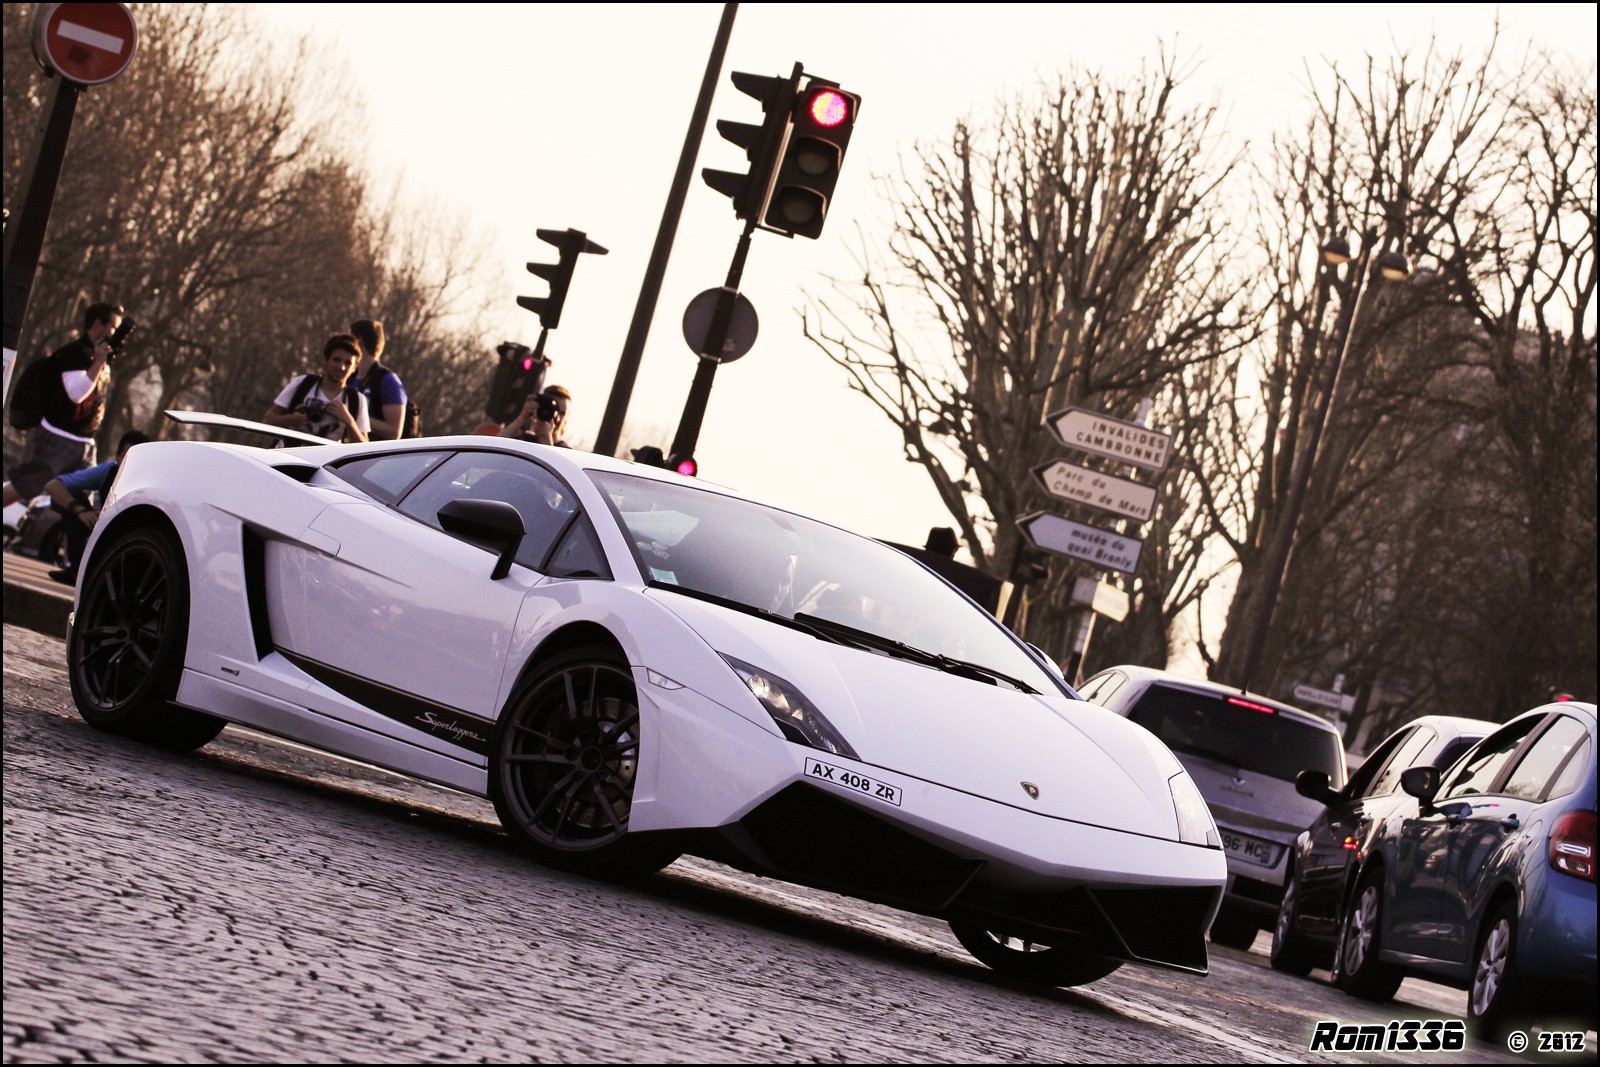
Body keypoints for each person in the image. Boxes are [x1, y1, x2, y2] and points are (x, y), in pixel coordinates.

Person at [3, 302, 122, 508]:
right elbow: (76, 395)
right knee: (27, 486)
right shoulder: (74, 353)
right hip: (58, 439)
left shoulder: (100, 358)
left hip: (84, 442)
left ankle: (69, 540)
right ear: (97, 324)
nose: (116, 334)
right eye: (113, 327)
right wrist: (98, 363)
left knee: (80, 504)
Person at [42, 429, 151, 585]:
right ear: (117, 456)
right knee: (71, 496)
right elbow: (52, 485)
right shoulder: (107, 471)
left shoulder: (150, 484)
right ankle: (76, 571)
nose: (129, 463)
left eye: (137, 459)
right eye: (125, 457)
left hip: (131, 535)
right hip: (104, 525)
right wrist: (81, 511)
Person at [262, 334, 370, 443]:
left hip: (326, 459)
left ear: (355, 367)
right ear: (325, 360)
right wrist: (291, 419)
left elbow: (364, 447)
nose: (341, 367)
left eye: (348, 363)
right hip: (289, 454)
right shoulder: (303, 384)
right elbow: (268, 420)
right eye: (336, 360)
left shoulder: (356, 400)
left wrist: (349, 421)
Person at [347, 318, 408, 440]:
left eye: (349, 339)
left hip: (376, 456)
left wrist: (354, 417)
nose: (344, 344)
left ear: (359, 341)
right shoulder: (349, 377)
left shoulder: (388, 380)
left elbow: (394, 432)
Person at [499, 384, 572, 447]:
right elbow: (494, 446)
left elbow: (553, 463)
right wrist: (522, 417)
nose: (557, 417)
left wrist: (547, 439)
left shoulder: (567, 452)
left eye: (562, 413)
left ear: (567, 416)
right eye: (553, 410)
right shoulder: (525, 439)